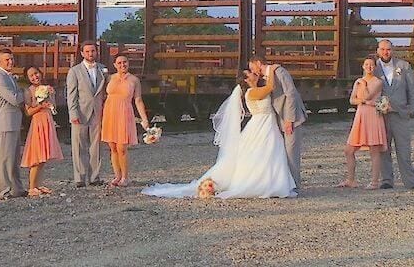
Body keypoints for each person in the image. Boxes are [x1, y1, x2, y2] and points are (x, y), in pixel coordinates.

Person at [142, 69, 296, 199]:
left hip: (267, 125)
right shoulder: (252, 92)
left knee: (270, 153)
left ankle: (272, 182)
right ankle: (261, 183)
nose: (254, 73)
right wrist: (273, 69)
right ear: (246, 80)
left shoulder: (253, 90)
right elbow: (271, 86)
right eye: (250, 73)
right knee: (262, 153)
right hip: (261, 125)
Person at [373, 40, 414, 190]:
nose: (386, 52)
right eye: (383, 49)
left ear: (393, 50)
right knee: (384, 149)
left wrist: (411, 109)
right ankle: (386, 180)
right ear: (378, 50)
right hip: (380, 116)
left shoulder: (403, 66)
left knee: (404, 149)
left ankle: (411, 182)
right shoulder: (373, 67)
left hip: (400, 114)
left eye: (388, 49)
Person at [248, 54, 307, 190]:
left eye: (252, 67)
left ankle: (294, 186)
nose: (253, 71)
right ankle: (284, 183)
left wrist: (289, 119)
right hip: (277, 120)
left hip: (291, 118)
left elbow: (290, 93)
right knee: (282, 153)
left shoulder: (280, 71)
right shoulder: (264, 79)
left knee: (291, 152)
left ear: (258, 63)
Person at [101, 54, 151, 187]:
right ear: (114, 65)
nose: (122, 65)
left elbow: (138, 100)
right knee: (112, 146)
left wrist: (144, 119)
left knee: (121, 147)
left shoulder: (134, 80)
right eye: (119, 63)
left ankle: (125, 176)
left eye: (125, 62)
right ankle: (117, 175)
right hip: (109, 112)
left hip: (124, 113)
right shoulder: (109, 78)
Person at [338, 58, 387, 189]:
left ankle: (375, 181)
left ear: (375, 67)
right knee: (349, 150)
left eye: (371, 65)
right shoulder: (358, 81)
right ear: (363, 66)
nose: (369, 67)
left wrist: (363, 85)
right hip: (360, 116)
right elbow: (352, 100)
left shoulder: (377, 82)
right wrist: (363, 101)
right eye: (367, 65)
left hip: (373, 117)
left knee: (374, 150)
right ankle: (350, 179)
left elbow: (367, 96)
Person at [67, 41, 108, 187]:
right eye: (88, 51)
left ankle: (94, 177)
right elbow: (71, 94)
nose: (91, 54)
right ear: (82, 53)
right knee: (79, 146)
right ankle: (79, 177)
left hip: (98, 112)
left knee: (96, 146)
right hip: (81, 113)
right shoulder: (75, 71)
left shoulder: (103, 69)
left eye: (93, 51)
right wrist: (73, 113)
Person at [21, 66, 63, 196]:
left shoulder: (46, 88)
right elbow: (28, 112)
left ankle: (38, 185)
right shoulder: (29, 91)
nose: (35, 77)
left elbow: (54, 108)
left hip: (47, 120)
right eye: (31, 76)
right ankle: (32, 186)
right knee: (37, 156)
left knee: (43, 157)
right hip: (38, 122)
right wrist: (40, 106)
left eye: (36, 73)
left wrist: (51, 96)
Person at [0, 49, 26, 200]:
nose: (10, 62)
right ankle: (2, 191)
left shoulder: (9, 77)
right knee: (4, 158)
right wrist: (30, 92)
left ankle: (16, 188)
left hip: (14, 122)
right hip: (5, 122)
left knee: (13, 158)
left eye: (11, 59)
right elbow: (15, 99)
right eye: (7, 60)